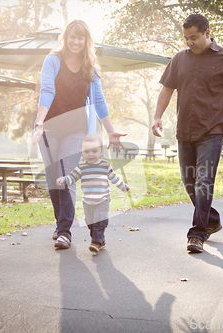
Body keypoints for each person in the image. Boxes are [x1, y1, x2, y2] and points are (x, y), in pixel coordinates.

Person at [151, 13, 223, 253]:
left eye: (194, 37)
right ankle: (211, 219)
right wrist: (157, 116)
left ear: (207, 33)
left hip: (213, 130)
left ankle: (197, 234)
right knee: (190, 183)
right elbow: (166, 90)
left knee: (203, 182)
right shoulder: (179, 59)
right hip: (185, 130)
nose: (189, 42)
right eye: (186, 38)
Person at [32, 20, 126, 250]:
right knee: (53, 179)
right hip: (49, 128)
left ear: (86, 41)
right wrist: (39, 121)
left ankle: (65, 231)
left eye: (80, 38)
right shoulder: (53, 60)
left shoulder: (90, 66)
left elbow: (100, 101)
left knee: (67, 177)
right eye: (72, 37)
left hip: (76, 130)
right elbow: (47, 90)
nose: (76, 42)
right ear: (65, 38)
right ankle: (60, 223)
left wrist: (111, 130)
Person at [56, 133, 130, 252]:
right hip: (88, 201)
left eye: (94, 151)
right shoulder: (81, 167)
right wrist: (64, 180)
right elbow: (73, 177)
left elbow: (114, 178)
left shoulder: (105, 166)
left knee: (99, 221)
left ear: (101, 151)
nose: (91, 154)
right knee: (90, 223)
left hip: (102, 199)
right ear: (82, 152)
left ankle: (95, 242)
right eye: (87, 151)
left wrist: (123, 187)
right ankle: (100, 240)